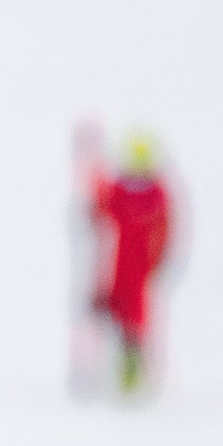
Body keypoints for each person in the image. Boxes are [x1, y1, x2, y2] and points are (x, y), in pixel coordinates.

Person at [81, 134, 177, 393]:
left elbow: (163, 230)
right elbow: (100, 211)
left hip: (135, 269)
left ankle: (130, 371)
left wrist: (158, 259)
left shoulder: (151, 196)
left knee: (132, 323)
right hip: (115, 268)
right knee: (111, 315)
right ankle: (104, 367)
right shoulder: (121, 191)